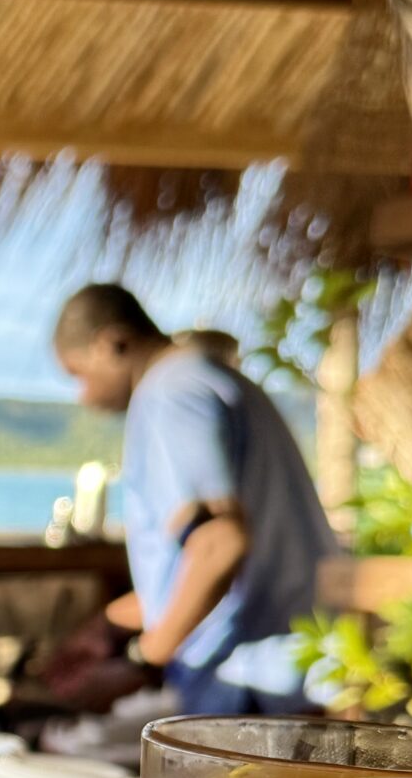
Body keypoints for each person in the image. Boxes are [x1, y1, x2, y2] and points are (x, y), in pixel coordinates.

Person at [53, 284, 336, 717]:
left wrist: (142, 661)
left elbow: (221, 544)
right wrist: (108, 624)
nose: (82, 396)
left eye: (78, 374)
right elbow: (210, 569)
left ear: (111, 343)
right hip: (297, 672)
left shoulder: (171, 395)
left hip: (252, 690)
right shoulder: (218, 380)